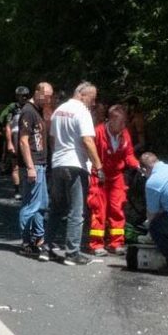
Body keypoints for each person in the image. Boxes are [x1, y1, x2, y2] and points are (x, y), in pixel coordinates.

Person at [47, 82, 104, 266]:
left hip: (58, 164)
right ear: (81, 95)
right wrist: (98, 166)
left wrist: (56, 158)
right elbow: (87, 140)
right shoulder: (82, 112)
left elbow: (52, 139)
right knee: (76, 211)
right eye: (92, 99)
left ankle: (46, 247)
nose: (93, 104)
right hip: (75, 165)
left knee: (56, 208)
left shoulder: (59, 110)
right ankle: (72, 253)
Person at [87, 105, 140, 256]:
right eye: (121, 122)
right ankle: (96, 244)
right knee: (99, 210)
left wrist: (137, 165)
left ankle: (116, 243)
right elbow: (90, 153)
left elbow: (128, 155)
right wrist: (94, 171)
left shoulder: (124, 134)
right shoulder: (98, 132)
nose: (124, 126)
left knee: (117, 209)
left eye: (125, 122)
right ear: (111, 120)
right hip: (100, 176)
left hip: (116, 177)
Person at [17, 83, 52, 259]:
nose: (48, 100)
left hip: (41, 164)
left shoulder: (38, 111)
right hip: (33, 165)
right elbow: (24, 141)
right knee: (30, 205)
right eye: (46, 96)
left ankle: (39, 238)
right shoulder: (28, 111)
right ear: (37, 92)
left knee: (42, 204)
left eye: (50, 97)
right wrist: (30, 167)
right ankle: (25, 241)